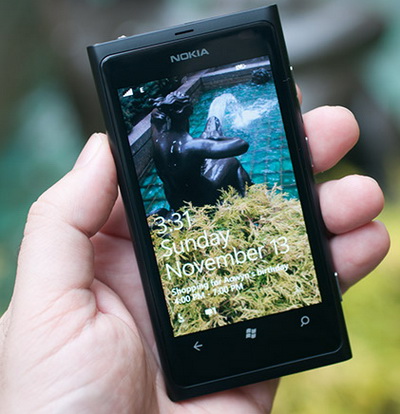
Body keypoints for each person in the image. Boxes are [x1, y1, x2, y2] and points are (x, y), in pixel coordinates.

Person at [0, 104, 390, 413]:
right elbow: (237, 147)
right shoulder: (188, 145)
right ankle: (250, 208)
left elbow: (199, 144)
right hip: (204, 198)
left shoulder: (163, 137)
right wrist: (217, 138)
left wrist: (210, 132)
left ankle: (244, 204)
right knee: (234, 164)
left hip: (180, 199)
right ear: (181, 118)